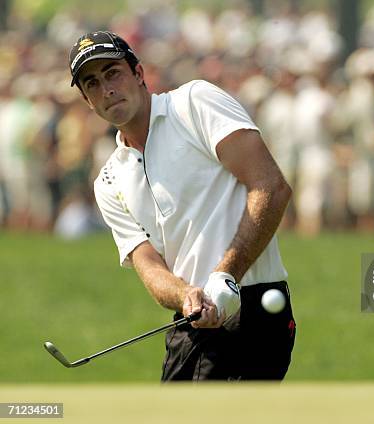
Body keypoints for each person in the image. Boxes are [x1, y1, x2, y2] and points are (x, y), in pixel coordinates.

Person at [68, 31, 296, 381]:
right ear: (87, 100)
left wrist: (226, 276)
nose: (106, 89)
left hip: (254, 308)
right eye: (92, 83)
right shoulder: (109, 180)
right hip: (191, 320)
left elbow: (271, 187)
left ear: (139, 74)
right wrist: (186, 295)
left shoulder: (193, 103)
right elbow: (150, 268)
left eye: (113, 73)